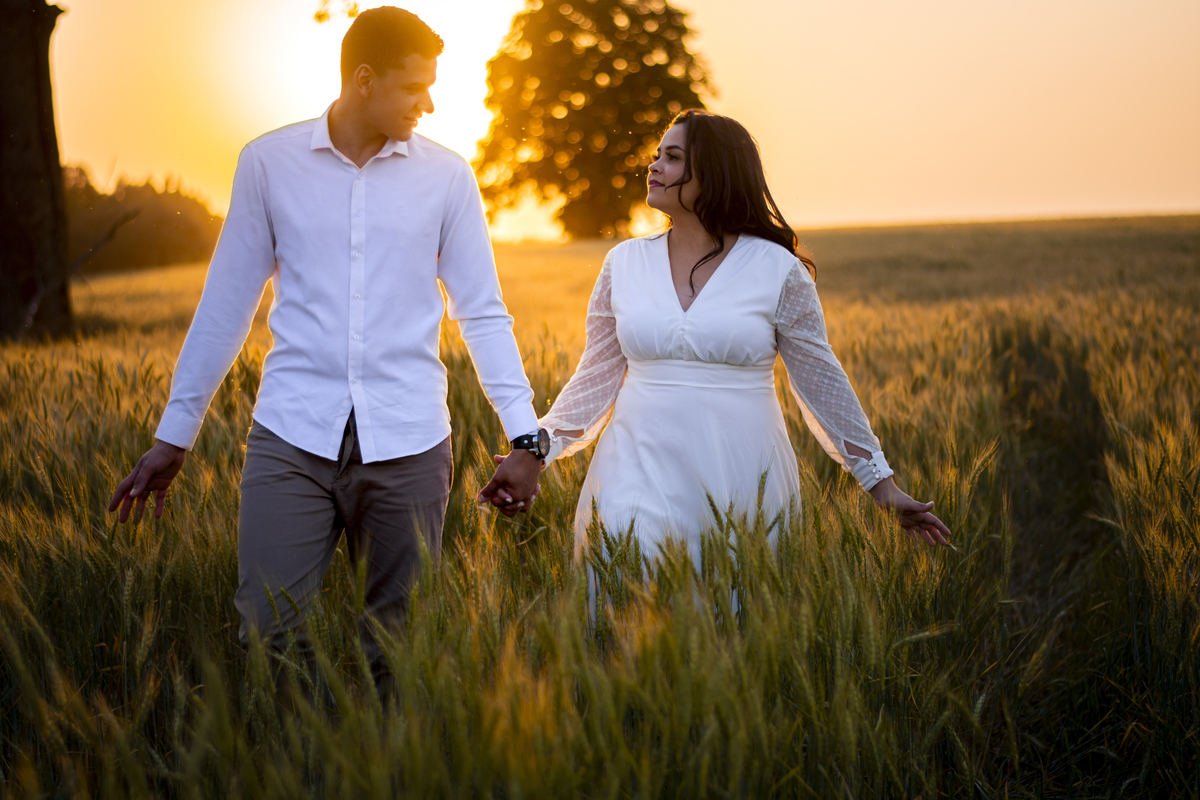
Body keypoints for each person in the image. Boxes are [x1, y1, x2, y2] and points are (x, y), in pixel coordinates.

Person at [107, 7, 543, 689]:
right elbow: (225, 308)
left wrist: (526, 438)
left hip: (409, 442)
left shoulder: (448, 177)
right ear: (363, 80)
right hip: (291, 438)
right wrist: (175, 435)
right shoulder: (268, 164)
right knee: (270, 636)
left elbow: (482, 313)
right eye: (414, 88)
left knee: (397, 653)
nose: (429, 104)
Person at [537, 109, 951, 561]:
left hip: (742, 475)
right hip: (631, 470)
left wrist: (880, 483)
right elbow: (593, 376)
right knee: (627, 592)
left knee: (730, 612)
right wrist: (535, 449)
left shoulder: (778, 270)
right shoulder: (623, 263)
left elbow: (822, 381)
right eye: (657, 156)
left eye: (672, 158)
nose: (653, 166)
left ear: (713, 173)